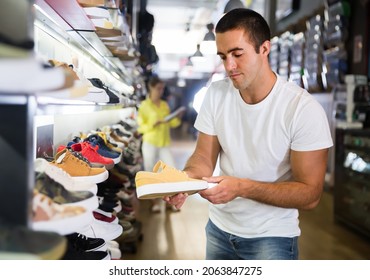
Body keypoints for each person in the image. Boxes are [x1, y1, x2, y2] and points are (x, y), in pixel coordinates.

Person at [164, 8, 333, 260]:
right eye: (222, 56)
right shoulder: (216, 94)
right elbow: (203, 158)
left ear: (264, 49)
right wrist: (185, 182)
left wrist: (242, 188)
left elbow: (310, 195)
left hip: (272, 237)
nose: (229, 66)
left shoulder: (302, 109)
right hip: (219, 230)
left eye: (237, 54)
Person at [137, 76, 184, 213]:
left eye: (162, 88)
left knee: (171, 172)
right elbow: (140, 128)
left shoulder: (164, 105)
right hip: (150, 143)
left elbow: (171, 123)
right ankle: (154, 203)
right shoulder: (144, 106)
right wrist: (153, 123)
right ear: (151, 88)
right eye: (158, 88)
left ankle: (170, 202)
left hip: (164, 143)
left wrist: (177, 117)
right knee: (151, 173)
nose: (161, 91)